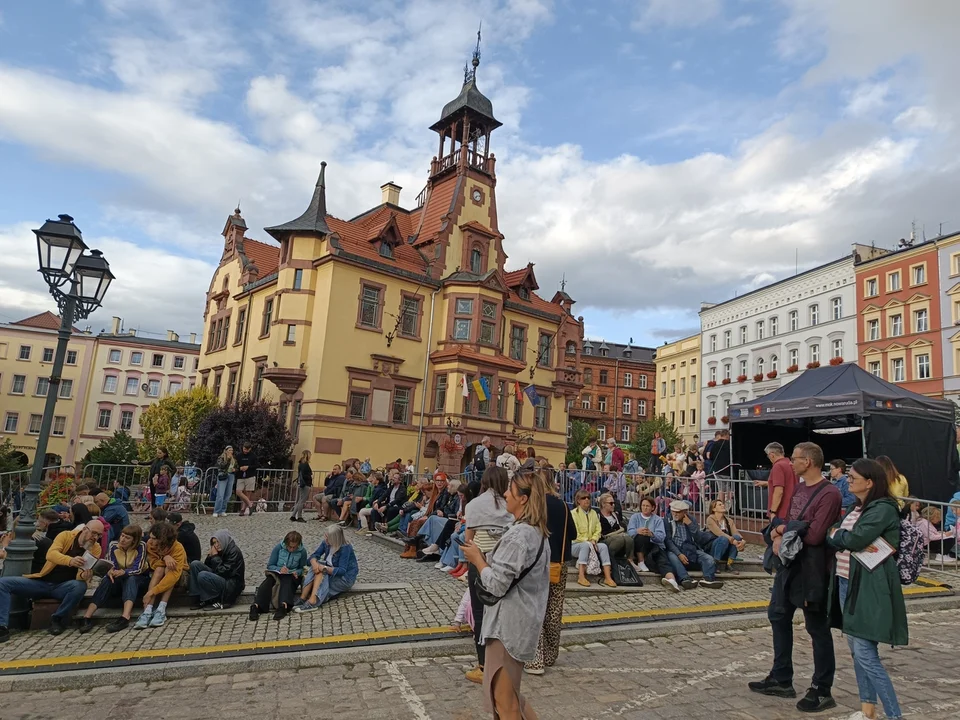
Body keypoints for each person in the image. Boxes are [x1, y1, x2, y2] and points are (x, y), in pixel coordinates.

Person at [749, 441, 842, 713]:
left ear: (809, 462)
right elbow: (786, 522)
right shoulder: (800, 487)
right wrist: (782, 530)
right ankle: (781, 677)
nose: (791, 462)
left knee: (816, 629)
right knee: (778, 614)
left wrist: (785, 529)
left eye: (796, 458)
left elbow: (814, 535)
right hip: (789, 565)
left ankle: (822, 689)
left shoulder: (830, 494)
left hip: (812, 570)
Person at [462, 470, 550, 719]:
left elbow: (497, 585)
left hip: (507, 627)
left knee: (505, 703)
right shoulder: (534, 532)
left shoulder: (520, 535)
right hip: (520, 621)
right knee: (513, 698)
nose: (505, 494)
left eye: (510, 490)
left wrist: (478, 560)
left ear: (523, 498)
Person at [827, 458, 907, 720]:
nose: (848, 481)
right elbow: (844, 537)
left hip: (868, 586)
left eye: (853, 478)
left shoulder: (882, 509)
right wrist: (841, 537)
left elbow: (854, 538)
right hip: (845, 581)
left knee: (865, 653)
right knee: (856, 651)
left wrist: (839, 537)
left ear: (869, 482)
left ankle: (895, 716)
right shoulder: (857, 507)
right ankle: (868, 710)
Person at [0, 521, 103, 641]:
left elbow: (82, 574)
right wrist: (70, 561)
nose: (95, 537)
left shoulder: (95, 548)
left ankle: (57, 619)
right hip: (42, 582)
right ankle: (2, 626)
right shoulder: (66, 535)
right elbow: (51, 554)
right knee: (3, 583)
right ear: (85, 529)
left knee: (80, 586)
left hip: (64, 586)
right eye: (94, 533)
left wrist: (85, 576)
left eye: (99, 535)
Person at [463, 466, 515, 684]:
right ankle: (506, 662)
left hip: (480, 558)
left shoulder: (474, 504)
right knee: (505, 612)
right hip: (504, 561)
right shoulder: (509, 504)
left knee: (480, 612)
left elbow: (468, 538)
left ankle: (484, 665)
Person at [79, 524, 149, 633]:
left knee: (131, 578)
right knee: (107, 579)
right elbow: (112, 564)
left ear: (134, 540)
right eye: (122, 536)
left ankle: (125, 617)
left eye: (127, 538)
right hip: (119, 580)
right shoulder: (114, 545)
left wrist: (124, 572)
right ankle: (87, 617)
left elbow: (138, 568)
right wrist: (111, 572)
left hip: (138, 581)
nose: (123, 539)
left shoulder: (141, 546)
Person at [134, 521, 188, 629]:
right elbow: (153, 564)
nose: (150, 540)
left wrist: (151, 592)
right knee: (159, 569)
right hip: (158, 572)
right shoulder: (150, 544)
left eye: (154, 538)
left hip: (180, 575)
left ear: (162, 539)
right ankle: (148, 610)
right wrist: (165, 558)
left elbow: (174, 576)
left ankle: (161, 609)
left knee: (170, 569)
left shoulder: (178, 548)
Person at [294, 525, 358, 612]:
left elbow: (342, 571)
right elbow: (313, 556)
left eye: (328, 538)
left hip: (344, 579)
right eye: (326, 536)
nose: (326, 539)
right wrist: (314, 563)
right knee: (316, 566)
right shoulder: (326, 543)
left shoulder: (345, 548)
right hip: (331, 573)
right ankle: (303, 598)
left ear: (335, 539)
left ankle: (312, 602)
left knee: (321, 571)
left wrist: (324, 568)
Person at [664, 500, 723, 589]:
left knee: (709, 559)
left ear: (684, 512)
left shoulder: (691, 519)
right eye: (673, 512)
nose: (675, 514)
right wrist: (679, 554)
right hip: (675, 550)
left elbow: (698, 538)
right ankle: (685, 579)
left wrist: (690, 524)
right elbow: (668, 540)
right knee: (672, 556)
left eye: (678, 512)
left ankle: (708, 579)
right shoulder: (667, 520)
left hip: (690, 549)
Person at [250, 531, 307, 621]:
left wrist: (297, 572)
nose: (292, 549)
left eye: (294, 547)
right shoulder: (278, 548)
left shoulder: (302, 552)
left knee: (287, 582)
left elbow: (302, 568)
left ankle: (283, 606)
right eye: (290, 547)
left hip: (292, 575)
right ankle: (257, 606)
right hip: (278, 573)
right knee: (268, 582)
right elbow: (270, 565)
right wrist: (279, 569)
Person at [627, 496, 681, 592]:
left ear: (652, 507)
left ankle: (672, 580)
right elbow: (629, 532)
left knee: (662, 561)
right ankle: (641, 561)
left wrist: (651, 534)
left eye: (647, 506)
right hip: (638, 546)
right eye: (643, 505)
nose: (645, 508)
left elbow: (661, 537)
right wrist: (637, 531)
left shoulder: (658, 519)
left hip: (654, 545)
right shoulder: (635, 517)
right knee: (641, 536)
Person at [188, 530, 246, 611]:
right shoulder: (220, 550)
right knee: (195, 564)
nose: (216, 545)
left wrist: (215, 557)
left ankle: (213, 599)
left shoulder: (234, 552)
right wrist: (209, 556)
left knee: (203, 575)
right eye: (214, 543)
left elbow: (224, 572)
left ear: (223, 540)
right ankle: (197, 598)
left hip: (231, 583)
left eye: (218, 542)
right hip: (220, 576)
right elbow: (209, 566)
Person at [570, 489, 617, 588]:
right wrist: (588, 541)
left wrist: (594, 539)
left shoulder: (593, 513)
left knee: (603, 546)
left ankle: (607, 577)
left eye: (588, 498)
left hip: (592, 542)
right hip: (575, 544)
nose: (587, 500)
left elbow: (598, 529)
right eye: (583, 498)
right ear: (578, 500)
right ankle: (581, 576)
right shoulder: (573, 513)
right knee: (585, 546)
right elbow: (574, 533)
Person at [756, 442, 797, 521]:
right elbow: (788, 483)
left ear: (772, 455)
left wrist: (773, 512)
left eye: (768, 456)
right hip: (793, 510)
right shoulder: (791, 464)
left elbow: (779, 491)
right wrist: (767, 483)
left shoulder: (778, 466)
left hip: (781, 512)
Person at [705, 499, 745, 573]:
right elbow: (719, 533)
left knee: (737, 537)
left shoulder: (729, 520)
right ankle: (715, 564)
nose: (723, 505)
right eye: (720, 505)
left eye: (722, 504)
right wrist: (733, 540)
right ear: (714, 509)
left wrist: (742, 541)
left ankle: (729, 564)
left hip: (726, 547)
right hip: (713, 548)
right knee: (723, 538)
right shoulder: (710, 519)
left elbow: (735, 532)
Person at [597, 492, 632, 560]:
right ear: (603, 504)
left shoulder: (615, 515)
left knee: (628, 539)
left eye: (614, 503)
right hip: (604, 539)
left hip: (617, 537)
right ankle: (610, 559)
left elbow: (621, 527)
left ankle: (630, 560)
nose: (613, 505)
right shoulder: (597, 516)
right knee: (619, 539)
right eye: (611, 503)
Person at [212, 446, 238, 518]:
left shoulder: (233, 459)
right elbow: (221, 466)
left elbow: (237, 467)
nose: (231, 452)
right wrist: (228, 460)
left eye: (232, 450)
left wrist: (235, 470)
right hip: (223, 476)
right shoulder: (221, 458)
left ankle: (223, 510)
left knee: (228, 494)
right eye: (229, 450)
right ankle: (216, 511)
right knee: (220, 494)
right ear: (226, 451)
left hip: (231, 476)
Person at [234, 442, 258, 517]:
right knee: (238, 491)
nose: (245, 451)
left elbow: (256, 465)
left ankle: (243, 509)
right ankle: (250, 504)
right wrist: (239, 468)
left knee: (248, 493)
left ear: (250, 449)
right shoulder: (239, 456)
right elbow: (235, 465)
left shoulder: (253, 456)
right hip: (240, 476)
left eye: (247, 449)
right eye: (244, 449)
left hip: (250, 476)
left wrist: (248, 467)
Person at [291, 450, 313, 523]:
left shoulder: (300, 463)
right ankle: (299, 516)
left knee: (300, 500)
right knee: (302, 501)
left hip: (301, 483)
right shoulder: (305, 464)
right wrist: (310, 476)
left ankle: (293, 515)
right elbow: (304, 474)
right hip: (306, 483)